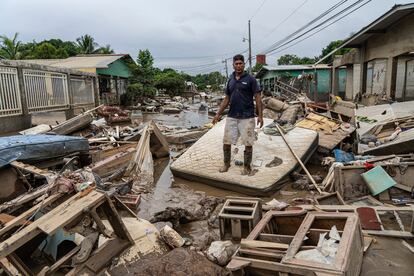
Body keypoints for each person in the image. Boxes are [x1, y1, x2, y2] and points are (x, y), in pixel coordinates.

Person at [212, 54, 263, 175]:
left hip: (247, 116)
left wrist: (260, 115)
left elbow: (258, 97)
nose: (239, 66)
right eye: (236, 64)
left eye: (241, 63)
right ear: (233, 65)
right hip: (232, 116)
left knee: (248, 142)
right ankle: (226, 164)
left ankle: (247, 167)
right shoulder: (230, 80)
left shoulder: (251, 79)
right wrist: (218, 114)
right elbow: (227, 98)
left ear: (244, 65)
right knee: (226, 141)